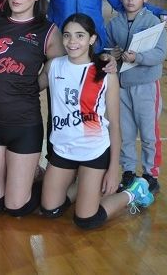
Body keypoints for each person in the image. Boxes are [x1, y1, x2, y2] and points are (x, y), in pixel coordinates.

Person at [39, 13, 154, 230]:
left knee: (86, 220)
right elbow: (30, 87)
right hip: (63, 150)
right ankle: (85, 185)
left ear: (92, 39)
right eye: (67, 36)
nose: (72, 42)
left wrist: (113, 169)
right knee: (50, 210)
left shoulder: (104, 73)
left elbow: (116, 125)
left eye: (80, 36)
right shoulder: (53, 66)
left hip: (94, 151)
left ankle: (133, 192)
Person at [0, 0, 62, 215]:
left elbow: (56, 67)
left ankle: (57, 189)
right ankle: (25, 176)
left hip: (24, 124)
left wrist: (35, 85)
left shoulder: (47, 31)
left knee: (16, 208)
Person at [106, 0, 167, 194]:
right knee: (126, 133)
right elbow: (110, 48)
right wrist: (112, 54)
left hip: (146, 86)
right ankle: (129, 171)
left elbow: (160, 54)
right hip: (123, 87)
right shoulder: (114, 23)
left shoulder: (153, 23)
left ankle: (151, 173)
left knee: (149, 133)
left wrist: (137, 58)